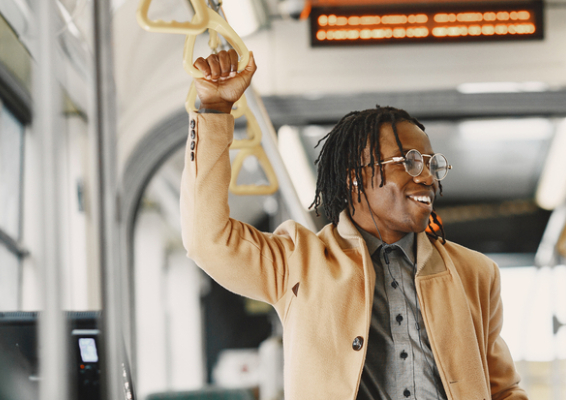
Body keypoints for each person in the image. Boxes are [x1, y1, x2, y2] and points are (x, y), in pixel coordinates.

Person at [181, 49, 527, 400]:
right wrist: (214, 109)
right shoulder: (296, 263)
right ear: (354, 179)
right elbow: (206, 239)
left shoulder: (475, 273)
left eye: (432, 165)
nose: (427, 179)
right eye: (408, 162)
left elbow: (502, 389)